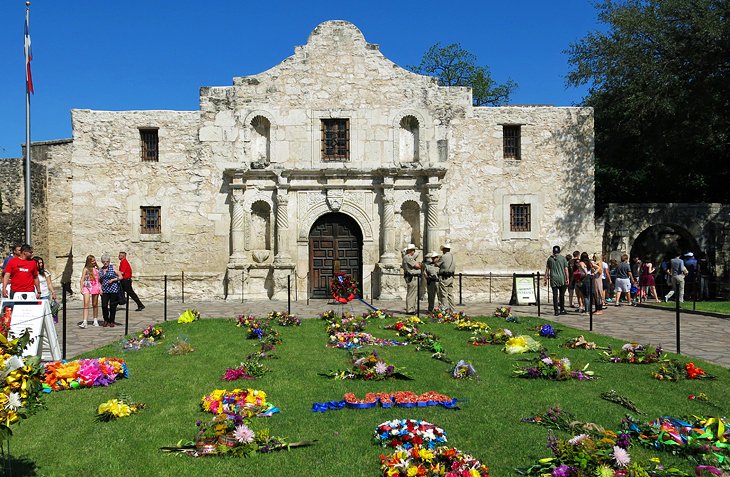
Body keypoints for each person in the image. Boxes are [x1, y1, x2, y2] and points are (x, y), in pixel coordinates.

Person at [98, 253, 123, 328]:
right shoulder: (101, 270)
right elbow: (99, 280)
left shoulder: (113, 267)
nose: (105, 263)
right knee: (104, 305)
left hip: (113, 289)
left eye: (107, 261)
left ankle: (111, 320)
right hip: (104, 289)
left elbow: (121, 277)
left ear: (109, 261)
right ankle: (106, 319)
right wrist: (100, 289)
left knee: (113, 306)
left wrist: (113, 279)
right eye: (104, 261)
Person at [544, 245, 569, 316]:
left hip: (553, 278)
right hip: (562, 278)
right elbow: (566, 269)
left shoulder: (550, 259)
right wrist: (567, 278)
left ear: (553, 251)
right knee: (562, 295)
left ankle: (556, 311)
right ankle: (562, 309)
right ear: (559, 251)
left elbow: (547, 269)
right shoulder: (563, 258)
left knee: (555, 295)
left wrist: (545, 278)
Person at [79, 255, 101, 328]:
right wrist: (81, 288)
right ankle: (85, 321)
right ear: (89, 262)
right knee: (86, 303)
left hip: (95, 286)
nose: (94, 262)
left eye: (94, 260)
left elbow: (100, 275)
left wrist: (96, 264)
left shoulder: (96, 268)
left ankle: (95, 320)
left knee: (95, 304)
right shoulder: (86, 269)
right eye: (92, 261)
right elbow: (82, 279)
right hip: (87, 286)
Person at [401, 244, 421, 314]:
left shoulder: (409, 257)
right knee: (411, 294)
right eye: (413, 250)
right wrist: (419, 264)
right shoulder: (408, 257)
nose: (414, 251)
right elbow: (417, 266)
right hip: (411, 277)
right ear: (409, 250)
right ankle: (410, 310)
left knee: (413, 294)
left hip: (413, 277)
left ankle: (412, 308)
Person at [437, 242, 456, 313]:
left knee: (443, 294)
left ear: (444, 249)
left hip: (444, 277)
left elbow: (437, 264)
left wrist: (436, 261)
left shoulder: (443, 256)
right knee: (450, 294)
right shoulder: (453, 256)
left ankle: (444, 310)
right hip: (450, 277)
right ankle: (453, 310)